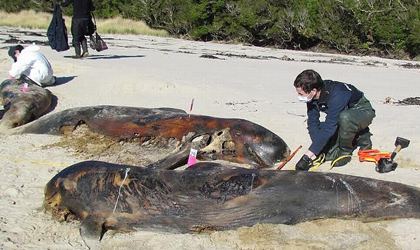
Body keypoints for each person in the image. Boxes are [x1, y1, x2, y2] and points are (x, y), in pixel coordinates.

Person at [293, 69, 375, 170]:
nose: (299, 96)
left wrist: (308, 155)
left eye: (301, 94)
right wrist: (317, 147)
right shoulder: (312, 96)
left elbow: (330, 126)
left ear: (313, 91)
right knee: (323, 133)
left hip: (362, 111)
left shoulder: (337, 94)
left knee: (345, 118)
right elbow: (313, 122)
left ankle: (346, 151)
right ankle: (355, 134)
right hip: (342, 113)